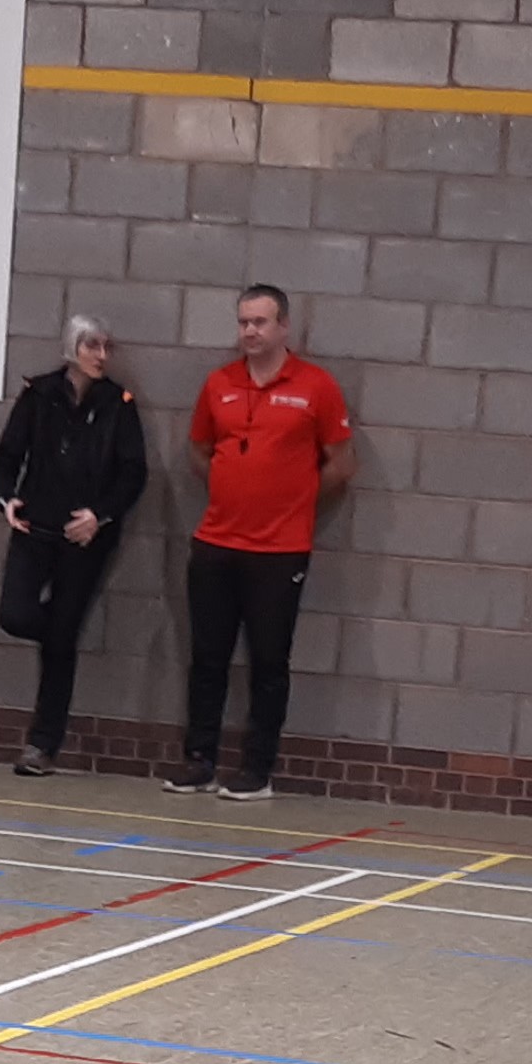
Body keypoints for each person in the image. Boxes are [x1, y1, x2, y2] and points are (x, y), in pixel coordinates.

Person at [170, 281, 353, 800]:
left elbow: (342, 464)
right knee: (207, 656)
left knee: (269, 662)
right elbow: (200, 451)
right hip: (216, 543)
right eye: (244, 322)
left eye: (260, 322)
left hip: (279, 551)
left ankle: (256, 769)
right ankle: (199, 759)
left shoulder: (316, 386)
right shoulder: (219, 384)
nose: (250, 331)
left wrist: (291, 503)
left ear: (284, 326)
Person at [0, 312, 145, 773]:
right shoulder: (38, 394)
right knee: (16, 615)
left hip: (84, 539)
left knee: (60, 647)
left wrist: (100, 516)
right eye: (90, 346)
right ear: (71, 348)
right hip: (35, 528)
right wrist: (6, 499)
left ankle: (42, 745)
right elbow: (8, 455)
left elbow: (133, 472)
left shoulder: (120, 403)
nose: (100, 356)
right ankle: (58, 633)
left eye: (105, 347)